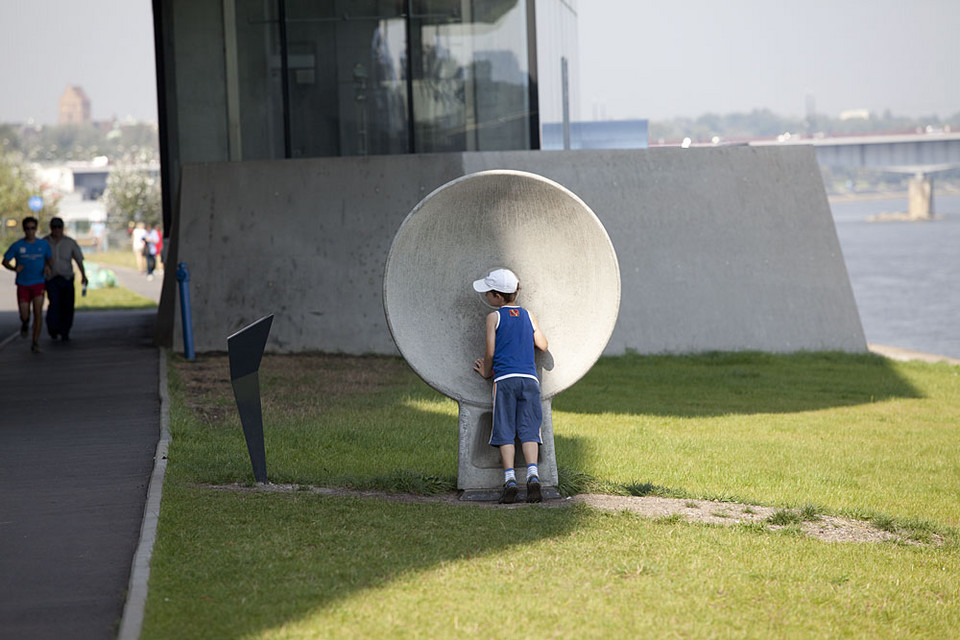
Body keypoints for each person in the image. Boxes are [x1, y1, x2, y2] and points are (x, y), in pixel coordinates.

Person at [472, 268, 549, 504]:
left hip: (504, 380)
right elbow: (543, 345)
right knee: (529, 429)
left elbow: (491, 351)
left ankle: (510, 480)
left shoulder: (494, 318)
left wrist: (485, 370)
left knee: (504, 428)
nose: (486, 297)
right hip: (529, 380)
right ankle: (533, 476)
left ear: (497, 296)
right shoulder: (528, 315)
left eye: (488, 293)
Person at [2, 217, 53, 353]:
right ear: (24, 230)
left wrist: (48, 267)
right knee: (25, 314)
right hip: (23, 284)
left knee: (38, 313)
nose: (30, 231)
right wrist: (14, 268)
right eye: (27, 228)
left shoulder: (43, 245)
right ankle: (25, 323)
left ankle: (35, 342)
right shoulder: (18, 246)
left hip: (38, 283)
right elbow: (5, 261)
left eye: (33, 228)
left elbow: (50, 259)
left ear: (36, 229)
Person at [44, 217, 88, 342]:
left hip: (66, 277)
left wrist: (83, 276)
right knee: (54, 304)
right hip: (51, 278)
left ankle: (65, 331)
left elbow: (78, 260)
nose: (56, 230)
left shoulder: (70, 242)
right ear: (51, 228)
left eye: (59, 227)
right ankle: (53, 328)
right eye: (54, 227)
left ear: (62, 228)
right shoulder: (45, 242)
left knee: (67, 305)